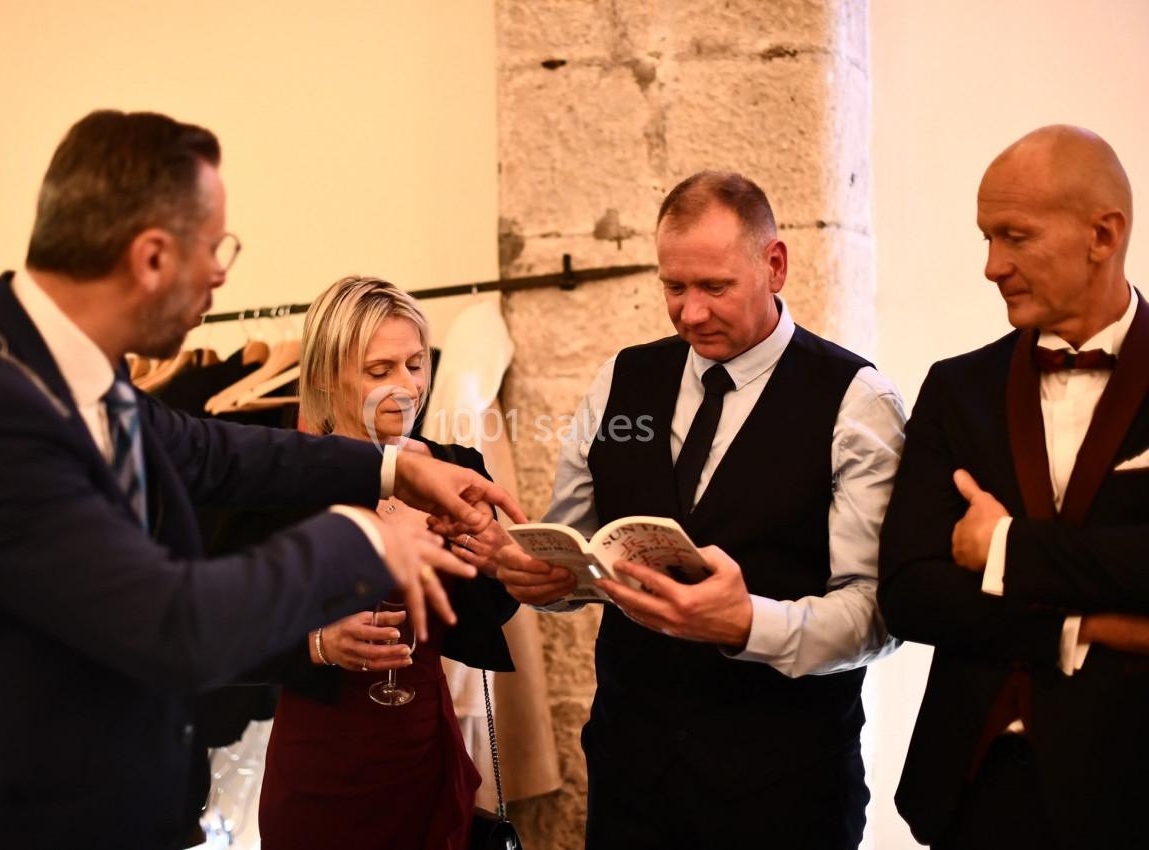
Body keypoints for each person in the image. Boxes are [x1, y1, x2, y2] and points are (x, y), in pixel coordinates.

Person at [0, 110, 524, 850]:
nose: (221, 272)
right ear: (151, 257)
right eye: (215, 249)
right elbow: (173, 626)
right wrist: (365, 536)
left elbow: (215, 451)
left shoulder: (66, 370)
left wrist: (393, 467)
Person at [491, 171, 904, 849]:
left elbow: (879, 612)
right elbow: (577, 542)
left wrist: (748, 623)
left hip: (787, 792)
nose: (689, 314)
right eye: (673, 288)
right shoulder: (620, 380)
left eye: (714, 287)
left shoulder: (858, 403)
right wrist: (549, 581)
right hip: (631, 781)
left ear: (774, 265)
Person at [879, 125, 1149, 850]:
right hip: (977, 783)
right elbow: (908, 588)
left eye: (1015, 236)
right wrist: (1079, 627)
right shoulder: (956, 388)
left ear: (1103, 233)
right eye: (985, 238)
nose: (993, 266)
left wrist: (1005, 547)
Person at [256, 276, 518, 850]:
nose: (408, 386)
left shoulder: (456, 467)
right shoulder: (283, 481)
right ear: (327, 377)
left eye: (417, 363)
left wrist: (500, 563)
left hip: (426, 755)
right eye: (380, 371)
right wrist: (317, 644)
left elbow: (488, 611)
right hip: (323, 773)